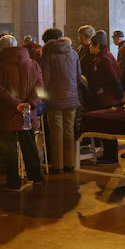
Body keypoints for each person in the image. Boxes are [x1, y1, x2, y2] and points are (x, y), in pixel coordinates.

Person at [0, 35, 44, 190]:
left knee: (9, 148)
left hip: (7, 112)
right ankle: (36, 176)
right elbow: (40, 86)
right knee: (29, 144)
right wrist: (29, 104)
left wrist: (16, 104)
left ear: (0, 48)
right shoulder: (33, 63)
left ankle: (13, 181)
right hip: (27, 112)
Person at [40, 28, 82, 174]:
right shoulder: (74, 53)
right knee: (69, 130)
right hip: (72, 98)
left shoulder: (47, 55)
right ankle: (69, 164)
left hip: (55, 99)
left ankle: (58, 166)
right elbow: (78, 77)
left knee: (56, 131)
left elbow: (44, 80)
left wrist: (40, 95)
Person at [86, 30, 125, 164]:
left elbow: (113, 79)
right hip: (106, 98)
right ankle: (108, 154)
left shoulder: (105, 59)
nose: (89, 47)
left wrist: (121, 95)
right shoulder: (103, 56)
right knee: (106, 129)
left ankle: (111, 156)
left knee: (108, 129)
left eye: (91, 45)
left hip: (108, 99)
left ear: (97, 45)